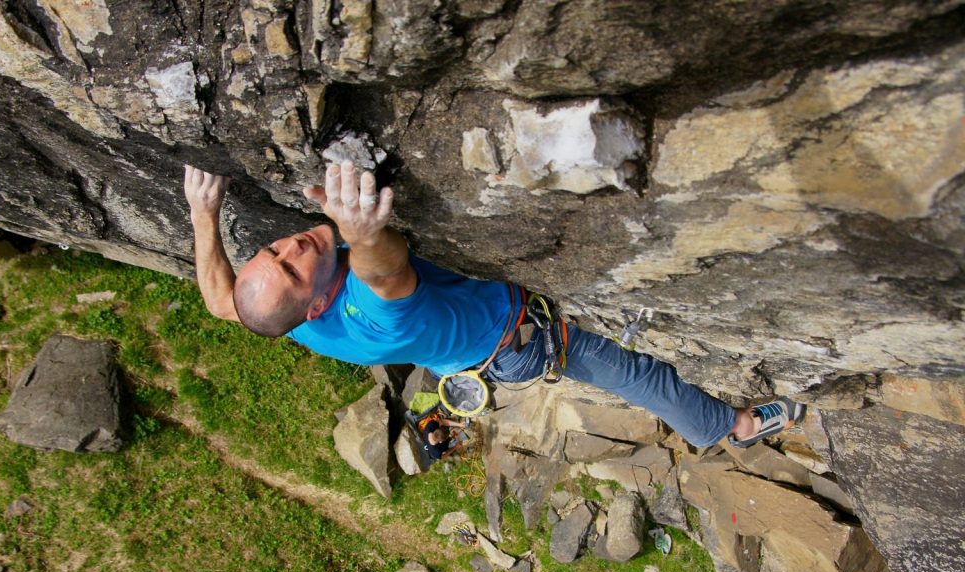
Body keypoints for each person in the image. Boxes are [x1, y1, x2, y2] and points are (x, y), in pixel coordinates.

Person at [182, 161, 805, 449]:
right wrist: (361, 231)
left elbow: (219, 301)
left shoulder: (280, 315)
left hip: (467, 349)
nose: (293, 245)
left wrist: (202, 211)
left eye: (272, 250)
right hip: (517, 343)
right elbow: (388, 272)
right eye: (292, 267)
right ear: (319, 304)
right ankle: (735, 428)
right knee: (639, 376)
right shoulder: (367, 315)